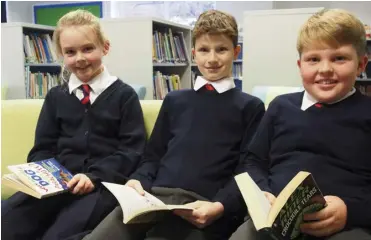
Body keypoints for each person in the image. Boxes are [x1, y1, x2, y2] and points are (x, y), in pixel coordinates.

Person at [84, 9, 265, 240]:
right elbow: (153, 156)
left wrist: (220, 205)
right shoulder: (175, 100)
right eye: (203, 50)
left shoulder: (250, 107)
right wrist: (137, 180)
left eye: (221, 49)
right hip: (153, 199)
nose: (211, 59)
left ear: (235, 51)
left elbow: (247, 170)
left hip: (202, 206)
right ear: (193, 53)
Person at [1, 9, 147, 240]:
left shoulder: (124, 96)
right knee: (6, 222)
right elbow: (42, 147)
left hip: (100, 186)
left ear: (104, 48)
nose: (79, 58)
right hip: (56, 185)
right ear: (61, 54)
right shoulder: (56, 97)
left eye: (88, 49)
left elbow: (132, 150)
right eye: (70, 52)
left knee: (59, 235)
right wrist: (47, 174)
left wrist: (93, 177)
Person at [241, 9, 371, 240]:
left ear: (361, 64)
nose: (325, 69)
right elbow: (253, 161)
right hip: (273, 220)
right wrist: (262, 193)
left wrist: (350, 212)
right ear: (300, 65)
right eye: (313, 59)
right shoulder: (280, 107)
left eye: (339, 58)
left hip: (345, 227)